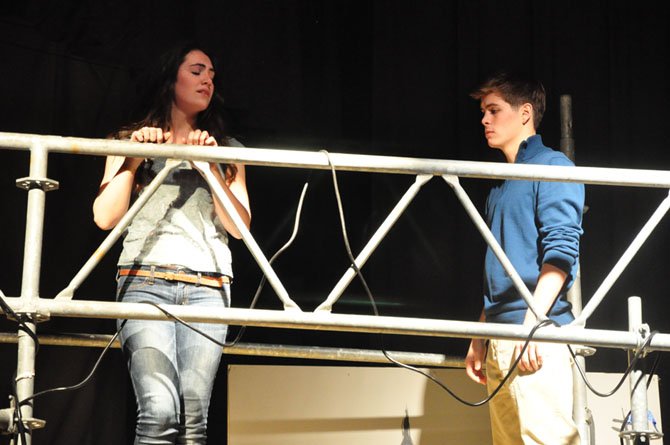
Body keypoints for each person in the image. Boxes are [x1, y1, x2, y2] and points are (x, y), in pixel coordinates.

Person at [93, 41, 250, 444]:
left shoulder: (227, 150)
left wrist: (209, 169)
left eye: (212, 75)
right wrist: (131, 158)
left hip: (209, 288)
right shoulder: (127, 139)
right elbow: (105, 217)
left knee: (195, 416)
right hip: (144, 282)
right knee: (159, 412)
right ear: (170, 77)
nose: (207, 80)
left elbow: (238, 227)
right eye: (197, 70)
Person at [464, 73, 584, 445]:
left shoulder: (552, 165)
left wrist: (534, 323)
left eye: (494, 110)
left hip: (534, 334)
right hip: (502, 334)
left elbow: (561, 254)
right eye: (483, 111)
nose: (484, 119)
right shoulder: (500, 185)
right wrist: (480, 332)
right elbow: (502, 264)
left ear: (525, 113)